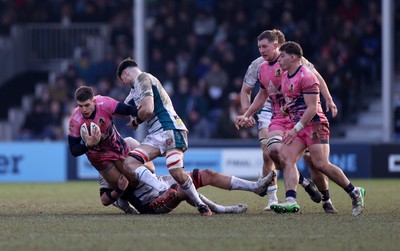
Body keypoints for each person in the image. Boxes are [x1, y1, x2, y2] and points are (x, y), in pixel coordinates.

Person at [239, 29, 338, 213]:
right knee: (270, 152)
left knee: (314, 163)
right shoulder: (257, 66)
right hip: (272, 110)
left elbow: (316, 78)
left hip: (297, 110)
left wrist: (328, 99)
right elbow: (249, 91)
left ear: (277, 46)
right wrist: (247, 113)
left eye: (264, 46)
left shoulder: (295, 62)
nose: (261, 50)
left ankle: (325, 196)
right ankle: (274, 198)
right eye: (259, 47)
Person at [271, 41, 365, 216]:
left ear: (293, 58)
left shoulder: (307, 76)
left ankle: (354, 192)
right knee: (286, 158)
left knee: (321, 164)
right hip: (297, 125)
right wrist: (287, 108)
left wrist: (295, 129)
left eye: (282, 56)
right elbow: (294, 100)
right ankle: (291, 200)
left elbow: (312, 108)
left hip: (315, 124)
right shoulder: (284, 76)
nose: (279, 60)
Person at [116, 58, 212, 216]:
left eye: (123, 80)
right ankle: (200, 204)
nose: (125, 83)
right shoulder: (136, 90)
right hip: (158, 135)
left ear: (126, 73)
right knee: (131, 163)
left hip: (169, 130)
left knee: (176, 173)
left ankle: (165, 189)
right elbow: (124, 109)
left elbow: (147, 109)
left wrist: (136, 121)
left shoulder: (143, 79)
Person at [99, 138, 277, 215]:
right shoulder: (105, 166)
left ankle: (255, 187)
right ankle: (219, 209)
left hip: (160, 182)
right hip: (148, 201)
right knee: (181, 189)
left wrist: (131, 164)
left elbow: (151, 168)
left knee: (207, 174)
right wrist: (118, 192)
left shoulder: (129, 143)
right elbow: (105, 200)